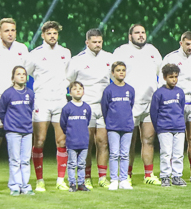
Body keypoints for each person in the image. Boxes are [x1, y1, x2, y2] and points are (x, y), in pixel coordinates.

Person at [0, 18, 29, 194]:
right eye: (6, 30)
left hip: (17, 101)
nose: (10, 33)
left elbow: (25, 72)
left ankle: (20, 182)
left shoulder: (22, 49)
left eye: (13, 30)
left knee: (19, 142)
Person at [112, 24, 162, 185]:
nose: (141, 35)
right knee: (129, 141)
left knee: (148, 139)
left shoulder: (153, 51)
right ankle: (126, 174)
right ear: (130, 36)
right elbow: (113, 75)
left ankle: (148, 175)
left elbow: (160, 74)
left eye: (143, 32)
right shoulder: (121, 51)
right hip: (130, 104)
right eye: (137, 33)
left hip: (149, 102)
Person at [25, 21, 71, 192]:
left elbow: (69, 74)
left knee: (62, 140)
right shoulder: (35, 54)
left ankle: (60, 180)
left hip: (60, 100)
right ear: (43, 35)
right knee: (39, 140)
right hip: (42, 100)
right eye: (49, 33)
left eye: (55, 33)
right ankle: (39, 180)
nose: (52, 36)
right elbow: (26, 72)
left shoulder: (65, 53)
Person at [65, 28, 112, 188]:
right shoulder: (77, 60)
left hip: (103, 108)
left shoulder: (109, 58)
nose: (97, 44)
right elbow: (69, 81)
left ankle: (102, 177)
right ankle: (85, 177)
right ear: (87, 42)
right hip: (85, 107)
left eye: (100, 42)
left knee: (103, 142)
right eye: (94, 42)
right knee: (87, 143)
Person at [162, 31, 191, 182]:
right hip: (175, 104)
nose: (190, 47)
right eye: (187, 44)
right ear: (181, 43)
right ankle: (170, 174)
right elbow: (162, 82)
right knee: (173, 141)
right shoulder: (171, 58)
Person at [0, 66, 35, 195]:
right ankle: (15, 186)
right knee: (15, 160)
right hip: (13, 131)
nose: (22, 76)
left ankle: (25, 186)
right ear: (13, 77)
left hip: (27, 131)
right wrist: (9, 125)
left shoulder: (30, 93)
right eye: (18, 74)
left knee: (25, 160)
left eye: (24, 74)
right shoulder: (7, 94)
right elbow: (2, 112)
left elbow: (30, 109)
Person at [150, 64, 187, 187]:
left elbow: (181, 109)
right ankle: (165, 176)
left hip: (179, 128)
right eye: (171, 77)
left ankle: (177, 176)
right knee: (166, 153)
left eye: (176, 77)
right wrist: (159, 127)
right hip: (164, 128)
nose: (174, 79)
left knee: (178, 154)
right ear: (165, 77)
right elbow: (154, 112)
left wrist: (180, 123)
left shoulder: (180, 92)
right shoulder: (159, 93)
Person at [100, 62, 135, 190]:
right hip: (113, 127)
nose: (121, 72)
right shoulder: (108, 90)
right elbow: (104, 108)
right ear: (113, 73)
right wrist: (110, 122)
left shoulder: (130, 89)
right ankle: (114, 179)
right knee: (114, 154)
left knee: (125, 154)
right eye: (118, 70)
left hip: (127, 126)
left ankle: (124, 180)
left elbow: (131, 105)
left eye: (123, 70)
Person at [59, 81, 91, 192]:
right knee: (72, 164)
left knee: (82, 164)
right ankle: (72, 184)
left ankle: (81, 183)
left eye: (80, 89)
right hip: (72, 142)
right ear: (70, 92)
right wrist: (69, 134)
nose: (78, 91)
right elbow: (63, 123)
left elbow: (87, 121)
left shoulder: (86, 107)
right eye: (75, 89)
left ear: (83, 92)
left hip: (84, 141)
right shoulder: (67, 108)